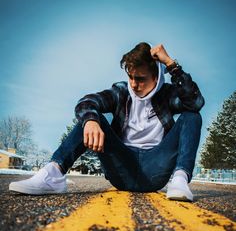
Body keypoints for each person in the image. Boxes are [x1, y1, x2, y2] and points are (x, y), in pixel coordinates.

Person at [9, 42, 204, 201]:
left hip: (156, 169)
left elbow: (195, 102)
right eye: (130, 77)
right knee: (91, 117)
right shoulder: (121, 92)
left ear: (157, 77)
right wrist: (91, 120)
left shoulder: (167, 94)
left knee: (192, 116)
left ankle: (180, 180)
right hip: (122, 167)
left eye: (141, 79)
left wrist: (171, 64)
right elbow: (87, 101)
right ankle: (53, 174)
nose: (134, 84)